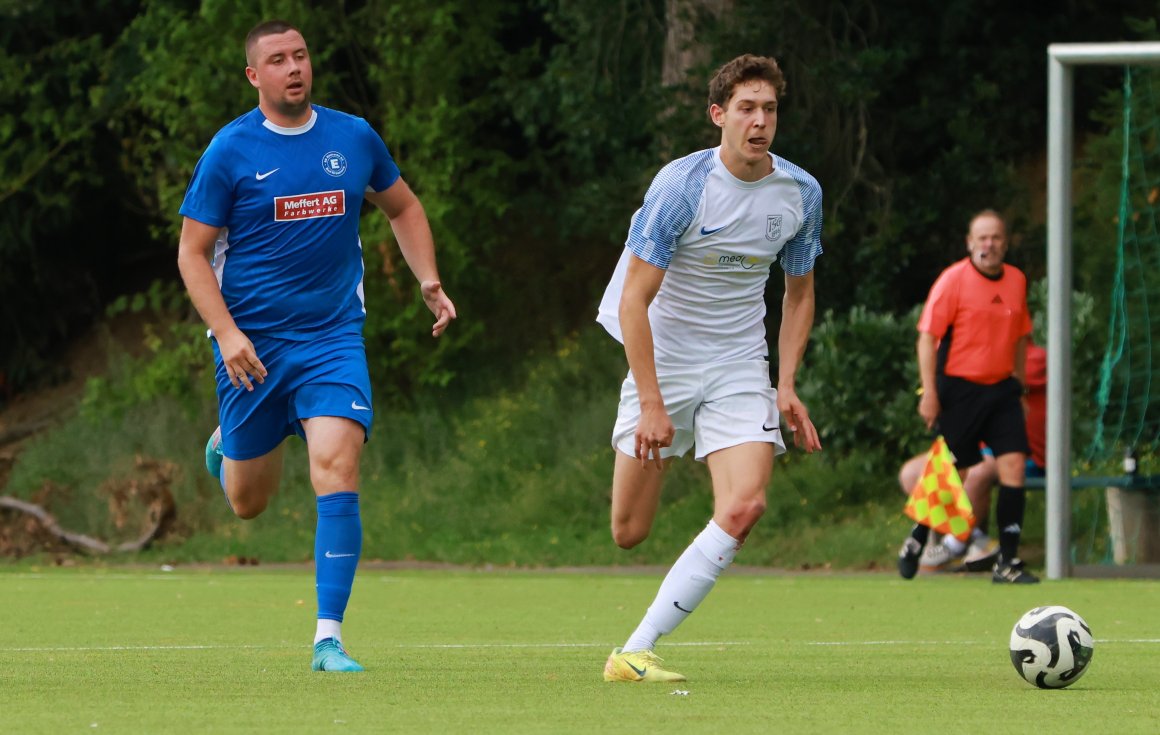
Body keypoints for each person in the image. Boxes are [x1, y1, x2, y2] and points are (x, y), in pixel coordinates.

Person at [176, 20, 456, 671]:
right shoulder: (229, 152)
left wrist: (428, 278)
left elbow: (403, 208)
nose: (294, 67)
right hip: (250, 348)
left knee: (336, 464)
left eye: (300, 55)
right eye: (277, 60)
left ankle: (327, 636)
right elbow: (192, 254)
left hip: (331, 338)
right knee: (250, 502)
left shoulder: (353, 137)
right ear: (254, 76)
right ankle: (227, 445)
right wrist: (226, 332)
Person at [595, 54, 823, 683]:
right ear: (718, 115)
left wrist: (786, 385)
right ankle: (637, 642)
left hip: (738, 366)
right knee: (629, 531)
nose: (759, 122)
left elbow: (799, 292)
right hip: (662, 363)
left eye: (769, 109)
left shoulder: (801, 193)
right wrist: (651, 403)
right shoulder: (682, 185)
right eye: (746, 108)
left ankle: (635, 649)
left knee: (746, 505)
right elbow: (633, 298)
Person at [896, 210, 1038, 584]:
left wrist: (1019, 386)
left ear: (1005, 243)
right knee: (951, 471)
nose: (989, 245)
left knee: (1013, 468)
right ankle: (919, 536)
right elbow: (927, 338)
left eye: (996, 238)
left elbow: (1021, 335)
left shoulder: (1017, 281)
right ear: (970, 243)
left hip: (1002, 389)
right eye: (982, 238)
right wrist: (929, 393)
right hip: (960, 388)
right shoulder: (953, 280)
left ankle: (1007, 563)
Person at [898, 342, 1047, 573]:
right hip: (979, 446)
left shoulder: (1033, 358)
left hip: (1024, 452)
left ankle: (955, 543)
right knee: (913, 473)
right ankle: (977, 539)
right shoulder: (970, 361)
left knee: (976, 473)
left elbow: (1007, 381)